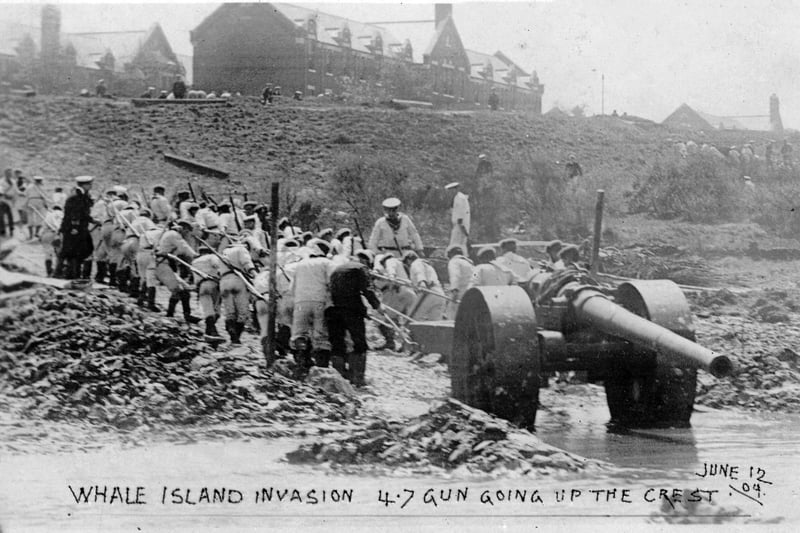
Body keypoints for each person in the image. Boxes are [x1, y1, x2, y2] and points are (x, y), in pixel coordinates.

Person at [327, 249, 382, 385]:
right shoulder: (361, 268)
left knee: (337, 344)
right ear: (366, 261)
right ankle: (357, 378)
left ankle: (338, 378)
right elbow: (368, 290)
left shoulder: (338, 269)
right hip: (351, 309)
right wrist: (377, 306)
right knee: (359, 343)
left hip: (333, 309)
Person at [290, 238, 335, 372]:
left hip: (300, 302)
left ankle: (302, 364)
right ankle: (322, 368)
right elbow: (331, 283)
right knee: (320, 334)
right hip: (319, 301)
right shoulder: (327, 263)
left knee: (300, 333)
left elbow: (292, 287)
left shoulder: (300, 264)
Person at [154, 221, 200, 324]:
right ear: (183, 229)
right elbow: (184, 248)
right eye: (187, 231)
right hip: (161, 264)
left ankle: (187, 315)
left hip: (166, 265)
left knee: (185, 290)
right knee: (177, 290)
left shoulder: (172, 234)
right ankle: (170, 314)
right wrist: (196, 256)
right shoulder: (174, 235)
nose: (187, 234)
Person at [219, 240, 257, 344]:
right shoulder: (241, 250)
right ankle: (237, 337)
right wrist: (255, 275)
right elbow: (247, 263)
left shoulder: (224, 252)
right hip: (237, 280)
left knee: (229, 311)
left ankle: (231, 331)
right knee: (242, 312)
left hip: (224, 281)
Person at [58, 176, 95, 279]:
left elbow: (83, 213)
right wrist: (75, 227)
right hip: (75, 228)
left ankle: (72, 274)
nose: (91, 186)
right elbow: (75, 213)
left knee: (78, 250)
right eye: (90, 184)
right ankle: (72, 275)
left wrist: (92, 220)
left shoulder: (81, 195)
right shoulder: (76, 196)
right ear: (84, 185)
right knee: (75, 252)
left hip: (78, 228)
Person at [403, 250, 447, 322]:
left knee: (411, 319)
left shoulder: (415, 263)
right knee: (435, 323)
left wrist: (422, 283)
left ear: (408, 260)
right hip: (439, 293)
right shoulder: (427, 264)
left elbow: (419, 273)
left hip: (427, 292)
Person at [445, 244, 473, 320]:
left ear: (450, 254)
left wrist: (454, 291)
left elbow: (455, 276)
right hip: (471, 293)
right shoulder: (469, 263)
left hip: (459, 293)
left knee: (452, 317)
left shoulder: (454, 261)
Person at [445, 182, 470, 252]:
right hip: (458, 227)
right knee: (458, 247)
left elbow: (460, 217)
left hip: (460, 228)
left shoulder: (460, 198)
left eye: (452, 190)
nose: (450, 192)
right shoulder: (456, 198)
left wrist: (464, 231)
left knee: (455, 248)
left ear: (456, 189)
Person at [0, 169, 18, 238]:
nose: (9, 175)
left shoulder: (13, 181)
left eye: (10, 173)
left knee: (11, 216)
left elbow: (16, 190)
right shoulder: (1, 181)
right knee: (1, 216)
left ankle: (11, 228)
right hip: (3, 200)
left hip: (12, 201)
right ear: (5, 174)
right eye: (8, 173)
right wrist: (5, 195)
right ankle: (2, 230)